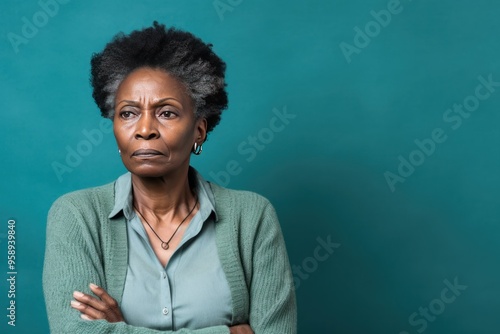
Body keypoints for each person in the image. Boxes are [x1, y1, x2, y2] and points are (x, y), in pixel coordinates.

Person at [42, 22, 296, 333]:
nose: (144, 129)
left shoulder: (253, 218)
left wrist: (120, 329)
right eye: (128, 113)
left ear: (199, 130)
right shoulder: (76, 216)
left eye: (166, 113)